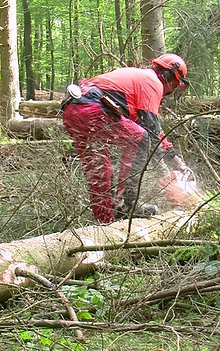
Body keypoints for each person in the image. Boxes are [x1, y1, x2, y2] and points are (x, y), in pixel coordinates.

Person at [61, 54, 190, 224]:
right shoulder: (152, 82)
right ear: (170, 76)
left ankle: (105, 222)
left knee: (100, 170)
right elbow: (150, 132)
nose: (172, 91)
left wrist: (176, 160)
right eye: (175, 85)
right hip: (94, 109)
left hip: (74, 111)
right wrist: (165, 174)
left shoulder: (138, 80)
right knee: (141, 139)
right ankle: (127, 205)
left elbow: (152, 129)